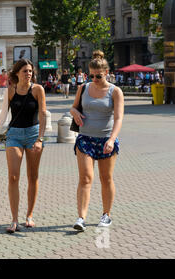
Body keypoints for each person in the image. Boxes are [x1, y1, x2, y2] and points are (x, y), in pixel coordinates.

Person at [0, 59, 46, 233]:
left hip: (33, 135)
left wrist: (40, 139)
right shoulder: (10, 91)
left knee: (32, 176)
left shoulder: (38, 90)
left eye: (30, 71)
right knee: (13, 177)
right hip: (14, 135)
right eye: (24, 71)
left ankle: (29, 216)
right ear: (17, 73)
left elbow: (42, 115)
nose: (28, 74)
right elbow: (3, 116)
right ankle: (14, 220)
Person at [70, 50, 124, 232]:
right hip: (85, 139)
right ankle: (81, 217)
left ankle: (106, 214)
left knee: (105, 178)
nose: (94, 79)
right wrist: (75, 112)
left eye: (98, 76)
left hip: (106, 139)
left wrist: (112, 139)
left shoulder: (115, 91)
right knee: (85, 178)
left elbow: (118, 119)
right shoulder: (83, 88)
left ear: (106, 73)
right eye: (91, 75)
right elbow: (73, 107)